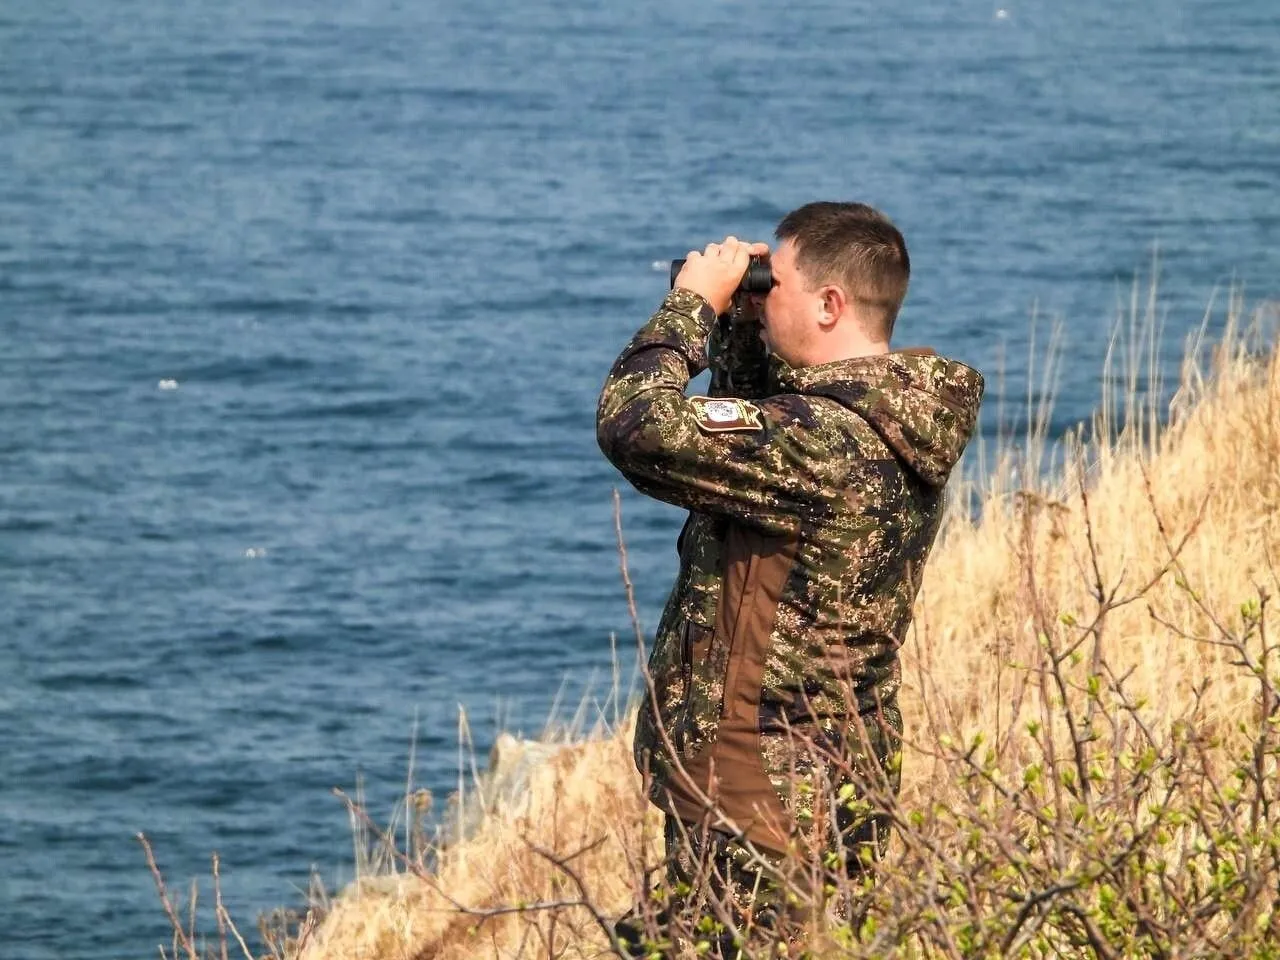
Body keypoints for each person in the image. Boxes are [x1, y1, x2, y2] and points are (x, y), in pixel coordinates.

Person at [597, 202, 984, 957]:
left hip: (760, 779)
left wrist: (691, 308)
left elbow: (634, 424)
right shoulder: (887, 420)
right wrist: (746, 320)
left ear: (831, 304)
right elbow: (762, 424)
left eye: (778, 282)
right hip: (839, 763)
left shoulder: (820, 445)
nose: (764, 293)